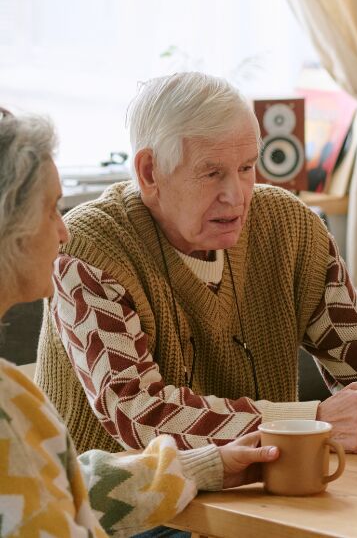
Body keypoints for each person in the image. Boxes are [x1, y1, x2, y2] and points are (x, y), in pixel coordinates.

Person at [35, 72, 357, 455]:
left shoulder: (288, 225)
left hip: (260, 492)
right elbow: (139, 416)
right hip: (113, 515)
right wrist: (314, 421)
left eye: (246, 168)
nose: (236, 195)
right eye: (211, 172)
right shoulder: (87, 248)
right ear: (149, 172)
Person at [0, 107, 279, 536]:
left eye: (246, 168)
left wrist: (208, 466)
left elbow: (69, 485)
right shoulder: (8, 402)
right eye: (51, 208)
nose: (63, 230)